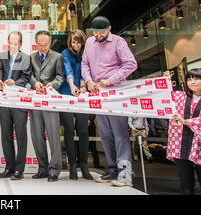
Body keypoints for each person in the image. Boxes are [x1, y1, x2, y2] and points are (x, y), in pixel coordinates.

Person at [81, 16, 137, 187]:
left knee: (120, 134)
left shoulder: (118, 42)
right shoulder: (90, 42)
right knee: (105, 134)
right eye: (95, 32)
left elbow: (131, 64)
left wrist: (112, 79)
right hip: (98, 93)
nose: (98, 35)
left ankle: (125, 173)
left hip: (116, 93)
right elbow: (85, 64)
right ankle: (112, 170)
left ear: (109, 28)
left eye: (101, 32)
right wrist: (89, 80)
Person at [0, 31, 31, 180]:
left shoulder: (26, 58)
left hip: (19, 100)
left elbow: (26, 77)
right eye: (10, 42)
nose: (12, 46)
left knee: (21, 136)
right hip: (4, 101)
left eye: (15, 43)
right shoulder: (2, 55)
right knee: (6, 135)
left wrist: (15, 83)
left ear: (20, 44)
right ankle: (9, 167)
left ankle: (19, 170)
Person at [29, 30, 65, 182]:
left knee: (53, 136)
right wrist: (34, 83)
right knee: (37, 136)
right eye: (40, 45)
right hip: (35, 100)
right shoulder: (31, 57)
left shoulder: (57, 56)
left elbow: (60, 76)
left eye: (46, 45)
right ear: (36, 43)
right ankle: (42, 168)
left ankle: (54, 170)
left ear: (50, 43)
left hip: (50, 101)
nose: (43, 48)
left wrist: (53, 85)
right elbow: (28, 74)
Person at [59, 29, 93, 180]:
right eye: (73, 42)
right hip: (67, 92)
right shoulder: (65, 53)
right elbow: (68, 70)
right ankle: (72, 165)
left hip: (83, 95)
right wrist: (72, 85)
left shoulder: (87, 52)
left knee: (84, 131)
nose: (76, 45)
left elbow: (87, 70)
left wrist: (84, 85)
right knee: (68, 130)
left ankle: (84, 165)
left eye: (78, 42)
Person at [167, 68, 201, 195]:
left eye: (196, 78)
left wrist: (186, 121)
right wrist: (166, 81)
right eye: (189, 79)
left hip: (199, 146)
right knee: (185, 187)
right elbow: (163, 95)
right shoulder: (180, 96)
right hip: (180, 145)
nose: (192, 82)